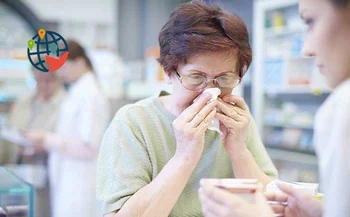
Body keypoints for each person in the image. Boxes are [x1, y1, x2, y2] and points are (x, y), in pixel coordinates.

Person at [97, 1, 278, 216]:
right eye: (196, 77)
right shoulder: (133, 123)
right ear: (169, 72)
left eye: (225, 78)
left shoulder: (238, 121)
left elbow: (272, 205)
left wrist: (239, 152)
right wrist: (184, 157)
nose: (211, 93)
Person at [199, 0, 350, 217]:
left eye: (311, 21)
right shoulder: (137, 119)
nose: (307, 49)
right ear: (169, 73)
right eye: (196, 77)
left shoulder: (343, 107)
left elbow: (267, 186)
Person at [24, 40, 111, 217]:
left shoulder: (91, 94)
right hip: (68, 181)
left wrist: (46, 139)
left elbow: (88, 148)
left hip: (80, 184)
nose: (59, 72)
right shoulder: (79, 90)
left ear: (79, 62)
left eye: (62, 65)